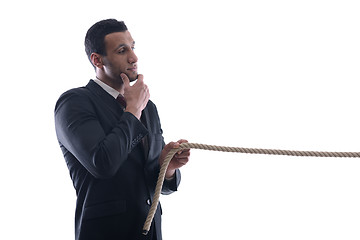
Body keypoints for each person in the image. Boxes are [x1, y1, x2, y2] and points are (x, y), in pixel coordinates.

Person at [54, 19, 190, 240]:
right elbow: (103, 163)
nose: (134, 58)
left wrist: (167, 167)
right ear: (97, 60)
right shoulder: (74, 102)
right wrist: (133, 108)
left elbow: (153, 187)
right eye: (121, 50)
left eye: (133, 48)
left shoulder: (148, 107)